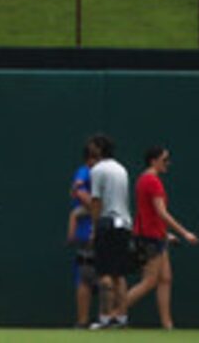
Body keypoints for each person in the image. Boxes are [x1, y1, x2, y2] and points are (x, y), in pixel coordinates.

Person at [105, 146, 197, 328]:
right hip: (151, 238)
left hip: (156, 236)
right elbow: (161, 213)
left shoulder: (144, 180)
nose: (167, 164)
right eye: (164, 160)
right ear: (153, 161)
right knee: (149, 281)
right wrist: (184, 232)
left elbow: (148, 214)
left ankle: (167, 324)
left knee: (165, 279)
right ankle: (113, 315)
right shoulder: (152, 181)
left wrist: (166, 235)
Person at [81, 136, 133, 324]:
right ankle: (121, 317)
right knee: (119, 274)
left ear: (100, 149)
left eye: (93, 146)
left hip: (107, 223)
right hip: (124, 223)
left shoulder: (98, 170)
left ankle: (104, 318)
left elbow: (96, 201)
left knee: (105, 274)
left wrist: (94, 228)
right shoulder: (121, 169)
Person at [67, 141, 99, 329]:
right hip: (87, 232)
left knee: (100, 277)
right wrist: (96, 209)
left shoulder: (96, 173)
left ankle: (106, 318)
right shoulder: (85, 172)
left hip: (93, 230)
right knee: (85, 278)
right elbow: (78, 191)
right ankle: (83, 320)